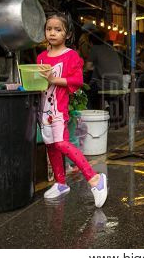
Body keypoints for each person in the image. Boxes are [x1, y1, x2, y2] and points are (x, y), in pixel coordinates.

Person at [37, 12, 108, 207]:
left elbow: (77, 81)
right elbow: (39, 82)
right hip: (43, 108)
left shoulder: (72, 56)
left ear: (67, 34)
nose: (52, 33)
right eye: (49, 29)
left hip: (59, 110)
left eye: (57, 29)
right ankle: (60, 183)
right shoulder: (41, 56)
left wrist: (53, 79)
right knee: (50, 145)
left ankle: (95, 179)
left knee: (61, 143)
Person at [86, 30, 124, 109]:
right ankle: (106, 107)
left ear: (90, 42)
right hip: (120, 84)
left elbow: (88, 67)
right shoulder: (111, 48)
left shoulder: (94, 49)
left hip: (107, 84)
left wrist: (97, 67)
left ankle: (92, 114)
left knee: (87, 91)